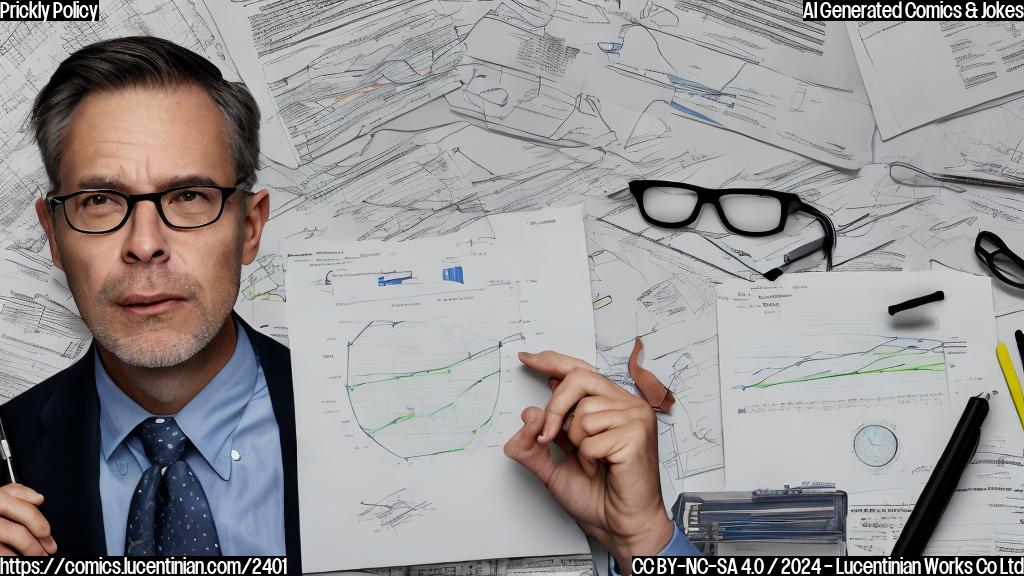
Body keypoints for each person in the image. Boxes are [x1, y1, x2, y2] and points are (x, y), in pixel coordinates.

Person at [0, 36, 697, 572]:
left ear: (250, 226)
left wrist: (645, 542)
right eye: (100, 201)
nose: (145, 245)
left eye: (188, 196)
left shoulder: (438, 425)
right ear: (54, 236)